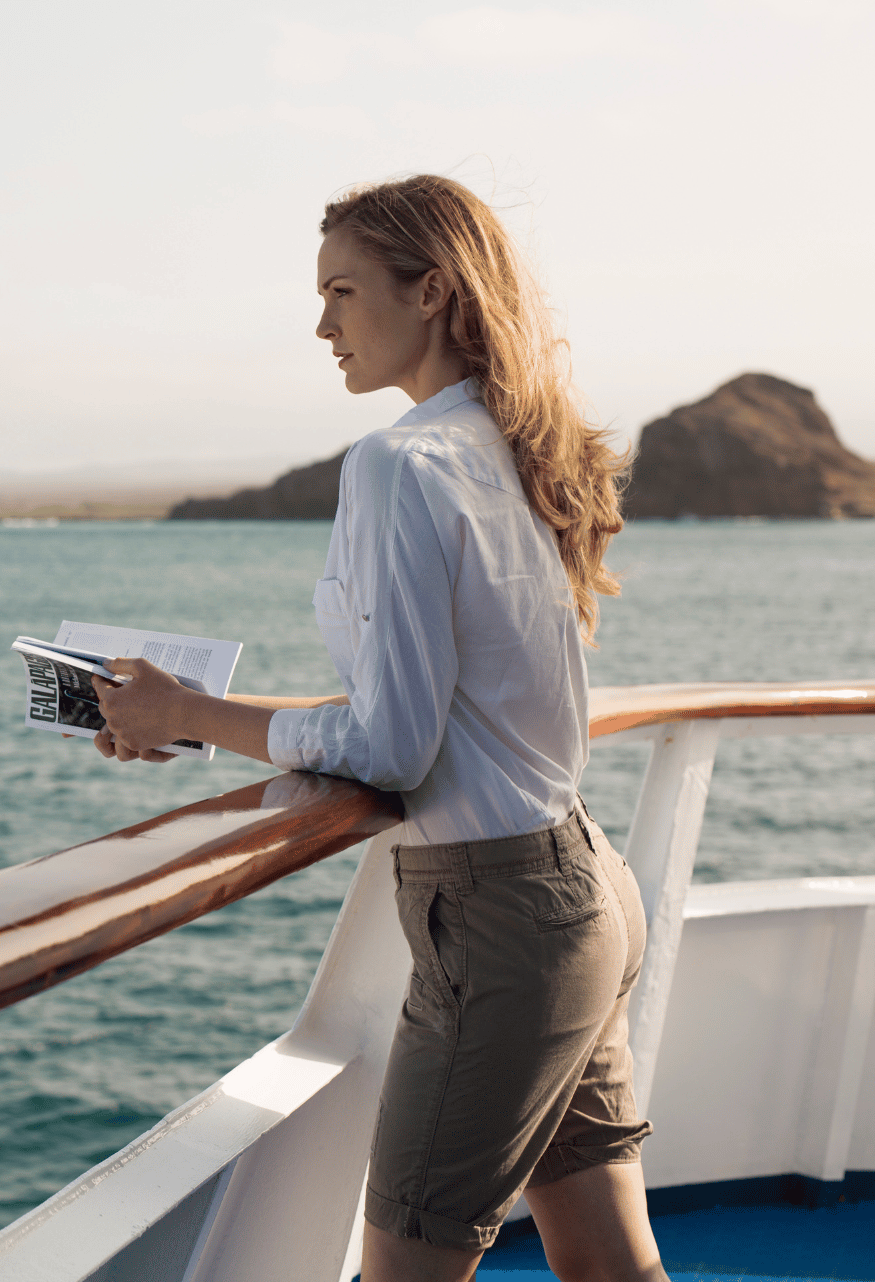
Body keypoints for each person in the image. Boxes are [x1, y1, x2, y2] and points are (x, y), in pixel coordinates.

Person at [85, 174, 666, 1282]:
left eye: (343, 291)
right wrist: (183, 712)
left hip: (501, 924)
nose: (322, 324)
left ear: (434, 290)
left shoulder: (397, 465)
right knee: (612, 1267)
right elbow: (429, 714)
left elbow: (394, 746)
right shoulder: (507, 448)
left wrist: (191, 712)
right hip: (585, 890)